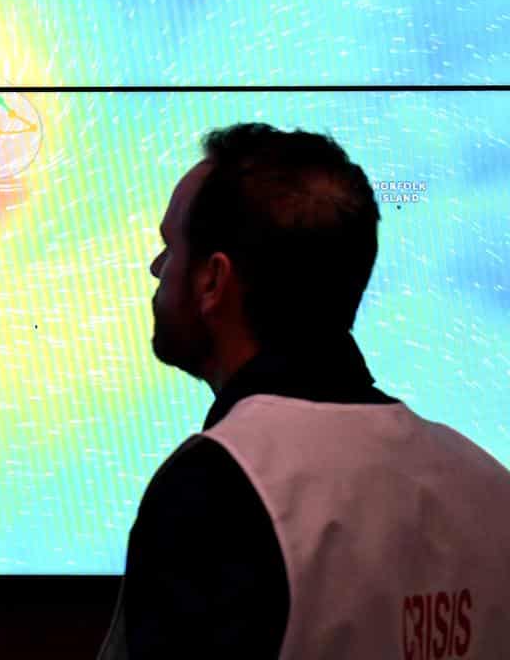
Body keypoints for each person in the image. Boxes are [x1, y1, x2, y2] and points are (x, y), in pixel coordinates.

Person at [97, 123, 510, 659]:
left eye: (170, 248)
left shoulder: (213, 488)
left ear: (213, 281)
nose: (158, 268)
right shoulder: (490, 486)